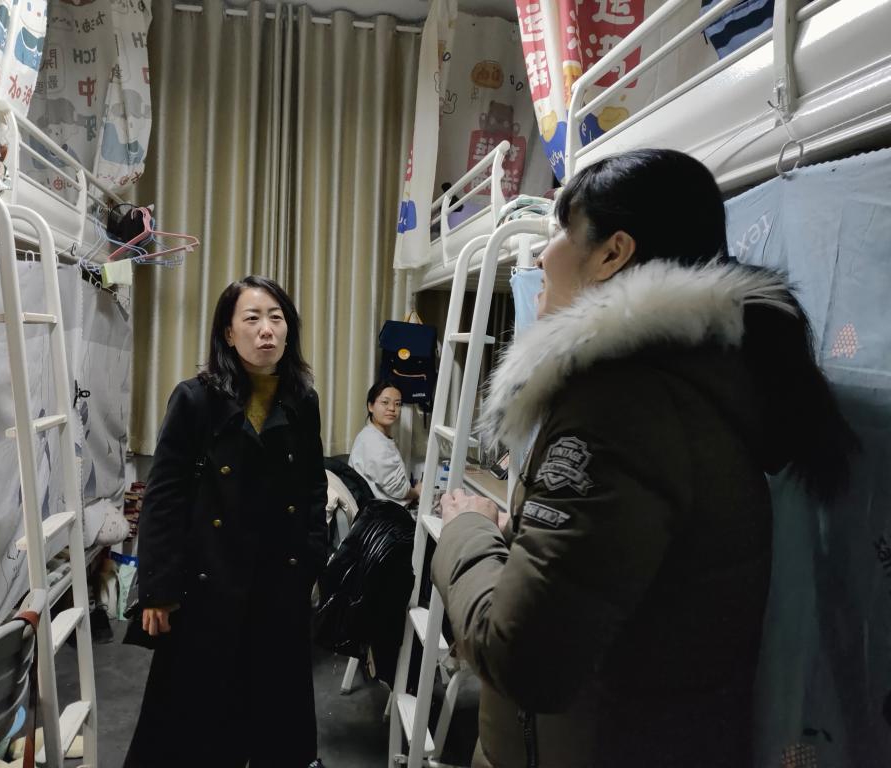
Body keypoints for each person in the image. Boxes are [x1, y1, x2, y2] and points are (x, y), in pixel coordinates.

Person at [432, 149, 857, 768]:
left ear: (613, 253)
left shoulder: (617, 410)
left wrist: (466, 530)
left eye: (563, 229)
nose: (544, 255)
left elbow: (524, 660)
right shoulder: (687, 389)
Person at [124, 276, 328, 768]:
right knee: (195, 722)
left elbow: (313, 486)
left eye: (276, 318)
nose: (266, 330)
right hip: (207, 583)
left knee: (274, 718)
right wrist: (157, 589)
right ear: (229, 333)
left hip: (278, 583)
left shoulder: (303, 399)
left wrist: (312, 557)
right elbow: (164, 497)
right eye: (252, 319)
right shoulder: (195, 400)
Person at [349, 381, 421, 505]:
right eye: (385, 402)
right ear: (370, 406)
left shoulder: (377, 436)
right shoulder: (373, 441)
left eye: (397, 404)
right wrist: (417, 491)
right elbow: (399, 489)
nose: (392, 408)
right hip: (382, 512)